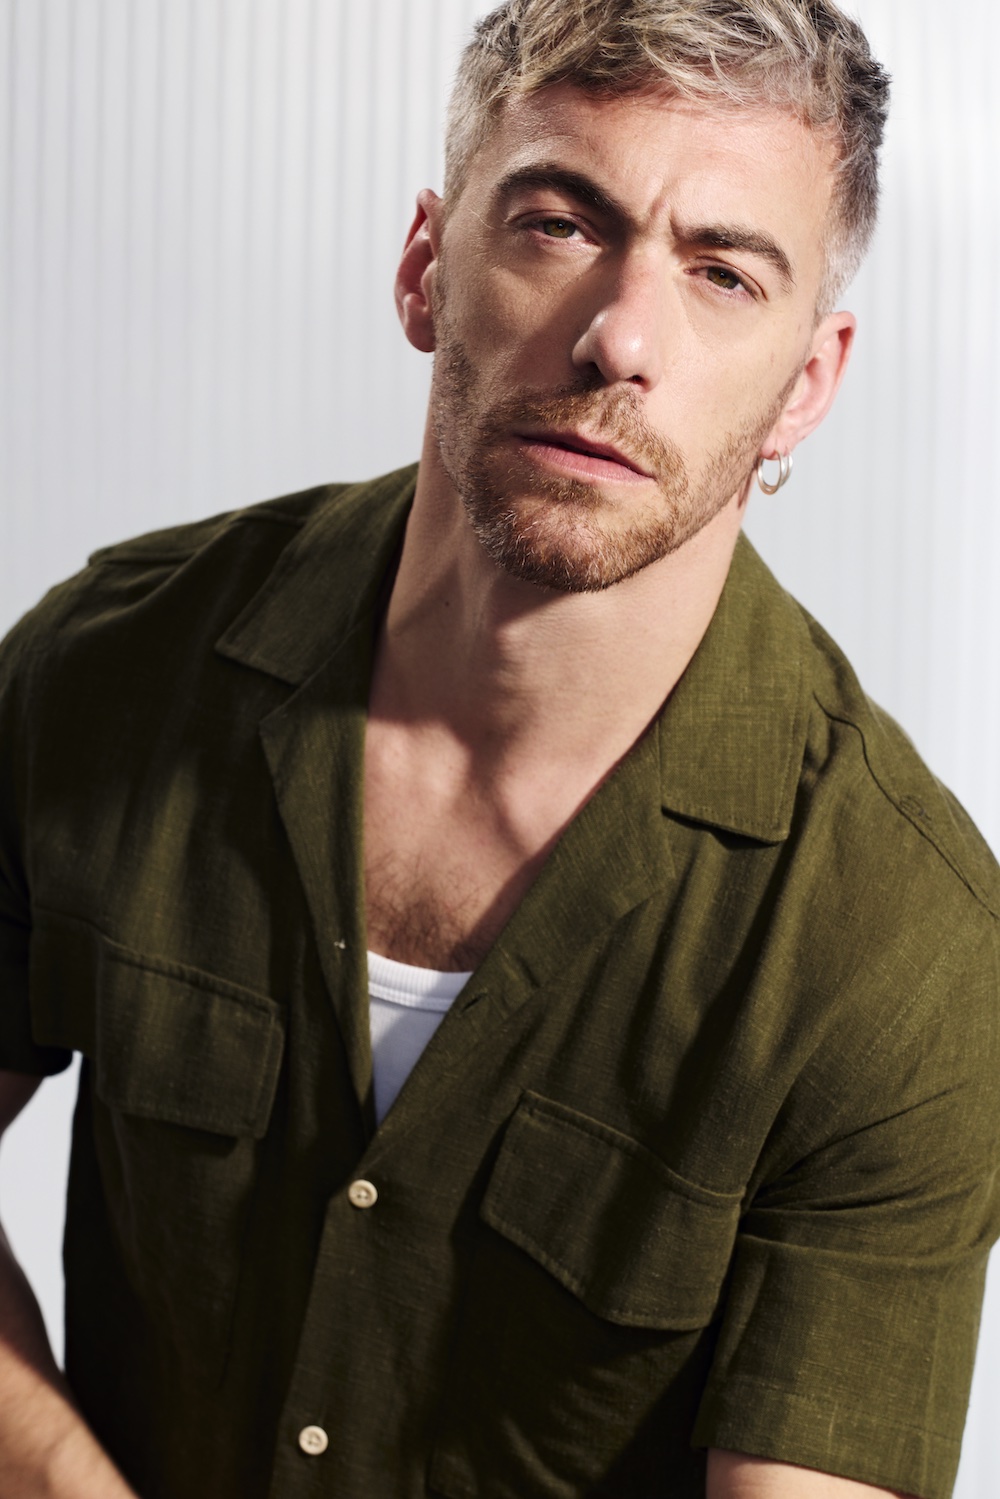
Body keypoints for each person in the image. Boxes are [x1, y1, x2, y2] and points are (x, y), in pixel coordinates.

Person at [0, 0, 997, 1495]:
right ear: (426, 266)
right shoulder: (113, 668)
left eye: (724, 273)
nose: (620, 338)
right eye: (559, 224)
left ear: (807, 382)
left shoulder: (899, 945)